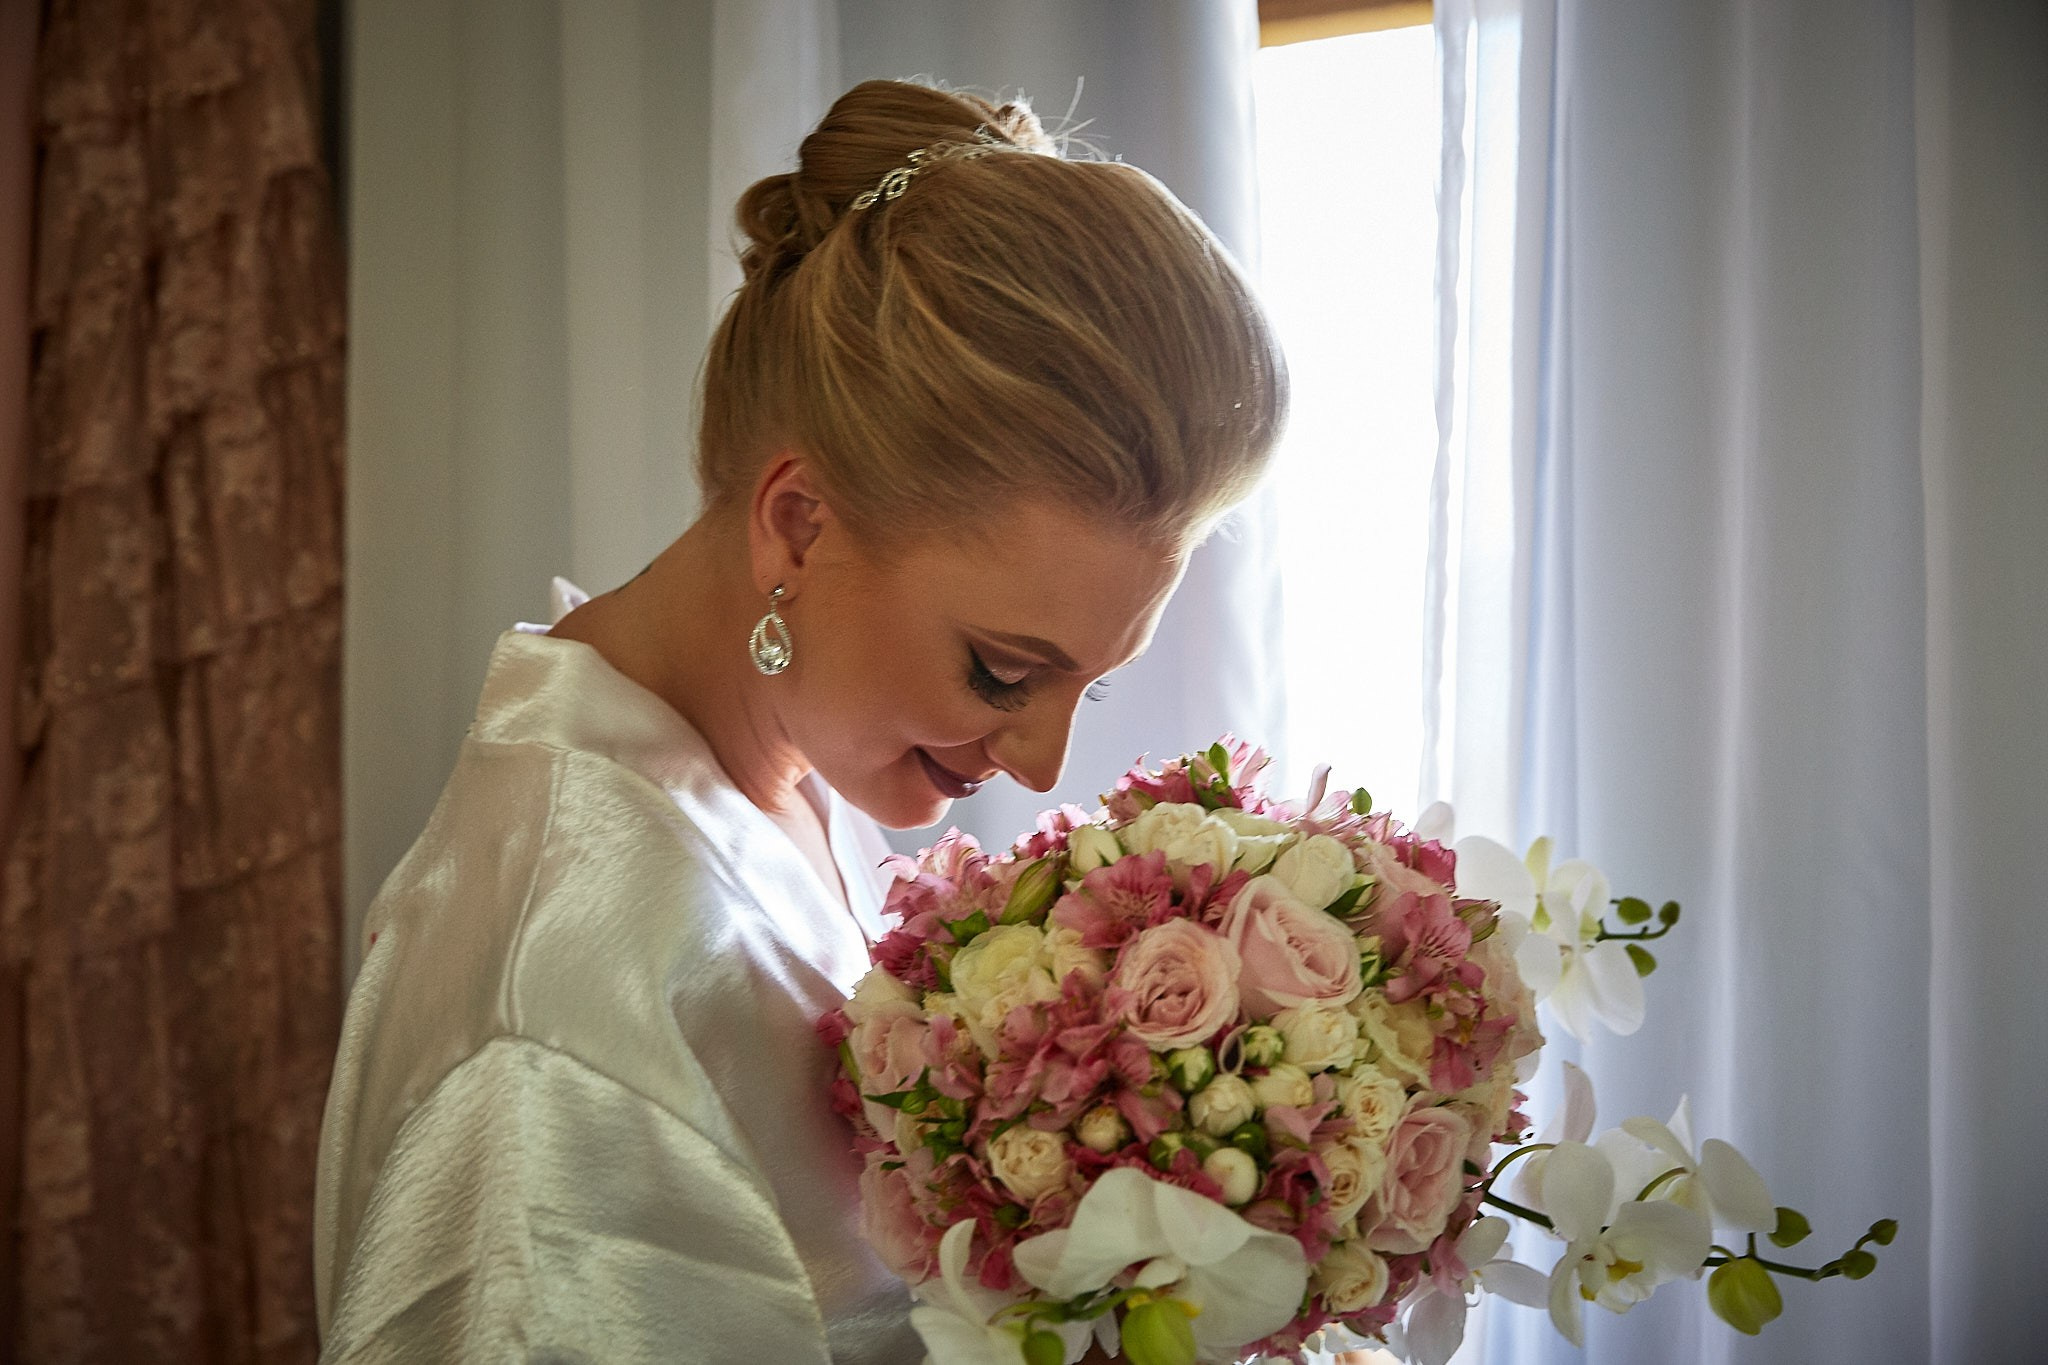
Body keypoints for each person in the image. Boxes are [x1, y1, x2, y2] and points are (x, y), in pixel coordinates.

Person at [312, 78, 1286, 1364]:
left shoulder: (773, 766)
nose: (1045, 767)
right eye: (1003, 670)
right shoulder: (555, 1002)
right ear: (801, 524)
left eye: (1089, 684)